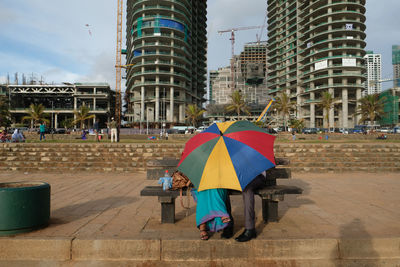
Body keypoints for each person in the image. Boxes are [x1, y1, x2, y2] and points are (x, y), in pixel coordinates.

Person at [234, 171, 268, 242]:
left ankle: (250, 229)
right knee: (221, 187)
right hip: (239, 177)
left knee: (246, 188)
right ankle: (227, 225)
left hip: (257, 176)